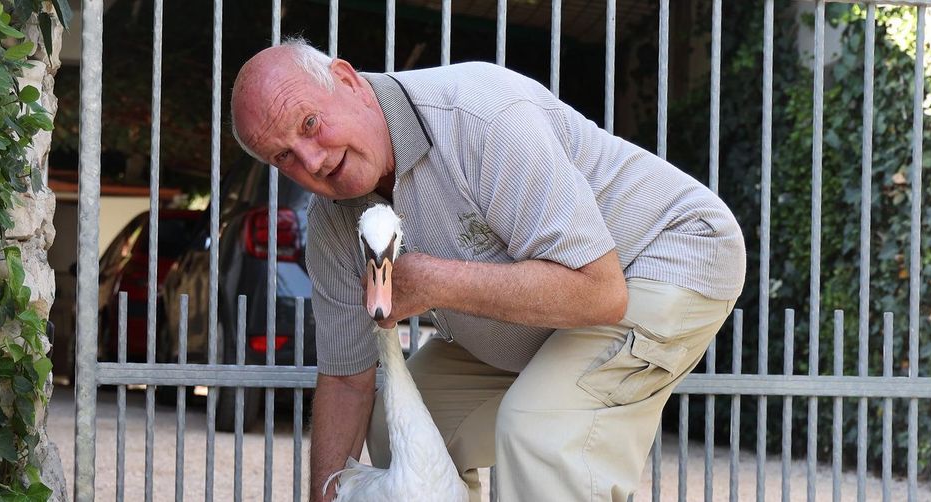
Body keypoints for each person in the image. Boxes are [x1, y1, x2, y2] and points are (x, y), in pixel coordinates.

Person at [230, 38, 746, 502]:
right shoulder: (334, 225)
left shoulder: (480, 115)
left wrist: (435, 280)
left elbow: (599, 292)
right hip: (549, 311)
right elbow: (346, 380)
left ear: (346, 81)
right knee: (399, 432)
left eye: (310, 125)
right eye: (284, 157)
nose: (312, 161)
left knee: (540, 429)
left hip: (665, 257)